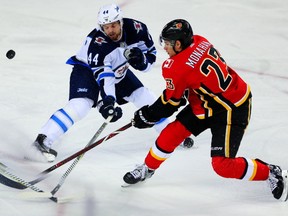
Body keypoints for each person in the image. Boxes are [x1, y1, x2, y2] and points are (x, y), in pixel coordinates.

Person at [123, 19, 288, 201]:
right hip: (207, 102)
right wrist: (160, 108)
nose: (165, 48)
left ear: (179, 44)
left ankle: (271, 172)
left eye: (168, 44)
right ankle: (148, 168)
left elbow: (171, 103)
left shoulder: (176, 67)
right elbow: (193, 81)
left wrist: (147, 116)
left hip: (232, 108)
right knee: (171, 134)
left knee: (222, 165)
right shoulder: (199, 40)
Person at [24, 5, 193, 163]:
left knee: (143, 95)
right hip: (87, 70)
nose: (110, 30)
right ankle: (42, 141)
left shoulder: (137, 29)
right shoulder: (97, 45)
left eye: (113, 25)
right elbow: (105, 77)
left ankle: (170, 135)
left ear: (120, 22)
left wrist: (141, 61)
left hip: (118, 68)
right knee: (81, 105)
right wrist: (108, 101)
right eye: (106, 27)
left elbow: (150, 57)